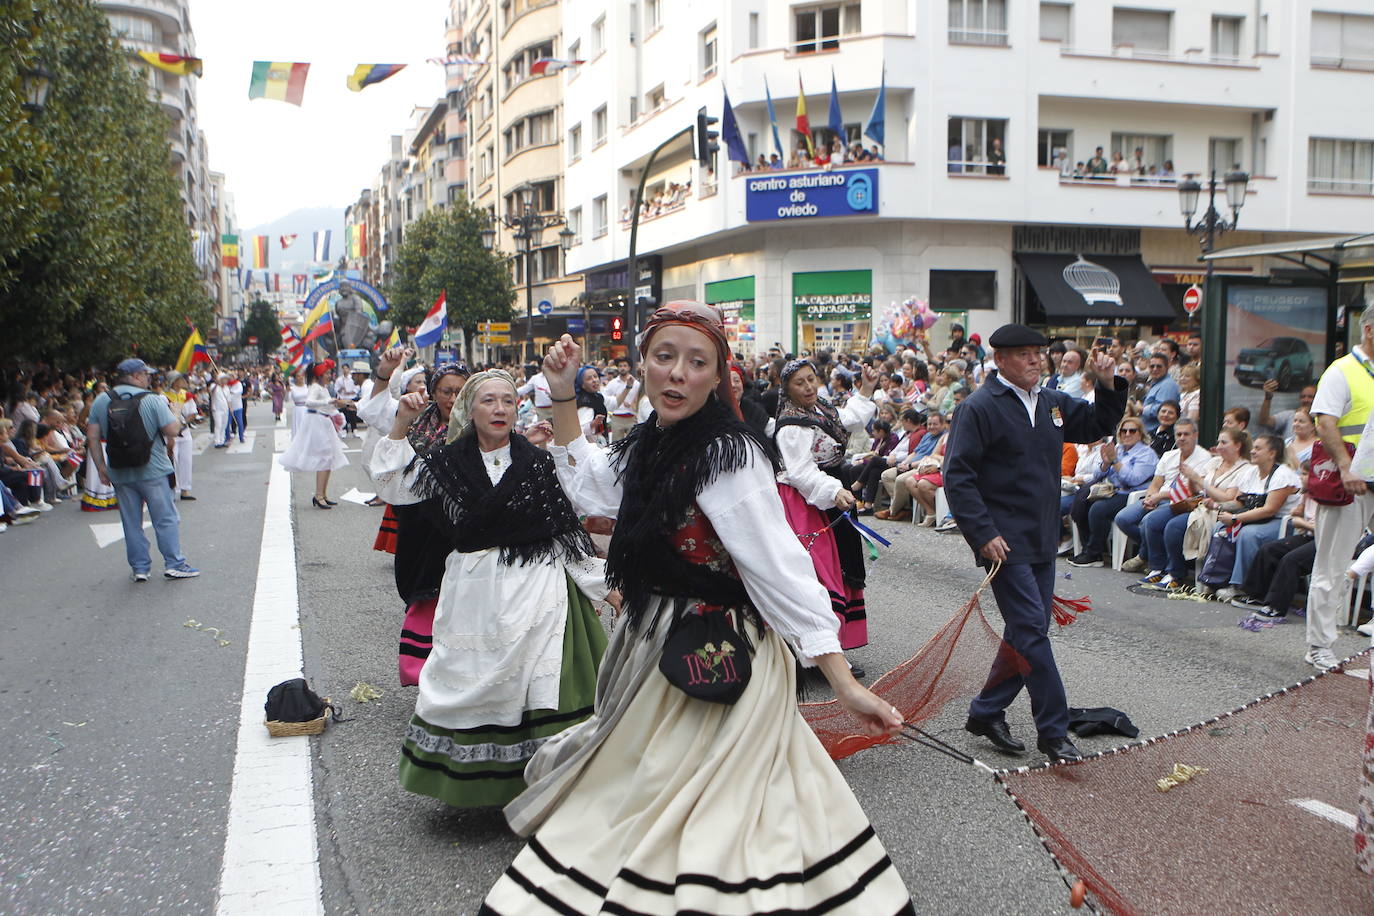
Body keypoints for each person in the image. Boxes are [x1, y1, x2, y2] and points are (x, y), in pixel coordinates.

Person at [481, 305, 910, 914]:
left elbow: (780, 569)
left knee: (709, 801)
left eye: (695, 362)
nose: (677, 374)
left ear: (717, 377)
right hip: (654, 640)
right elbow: (596, 486)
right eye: (664, 357)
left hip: (721, 650)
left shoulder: (727, 455)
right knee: (666, 788)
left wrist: (842, 683)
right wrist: (561, 396)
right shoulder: (654, 439)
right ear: (644, 365)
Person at [370, 368, 611, 807]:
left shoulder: (538, 465)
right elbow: (392, 485)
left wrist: (603, 585)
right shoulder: (444, 465)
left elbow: (562, 533)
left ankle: (547, 781)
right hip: (473, 592)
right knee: (470, 680)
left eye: (507, 401)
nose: (499, 409)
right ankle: (475, 785)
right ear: (469, 409)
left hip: (537, 588)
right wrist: (401, 424)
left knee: (539, 687)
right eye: (488, 400)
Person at [943, 324, 1126, 763]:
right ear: (1000, 359)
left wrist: (1105, 383)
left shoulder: (1052, 402)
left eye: (1038, 353)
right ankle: (1053, 728)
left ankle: (986, 711)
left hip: (1043, 535)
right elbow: (958, 476)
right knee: (1031, 631)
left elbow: (1100, 422)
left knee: (1025, 632)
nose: (1034, 360)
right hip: (1003, 541)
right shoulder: (979, 407)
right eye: (1024, 353)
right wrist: (983, 533)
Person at [773, 358, 879, 667]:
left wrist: (867, 388)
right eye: (799, 383)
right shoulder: (793, 424)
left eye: (811, 379)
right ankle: (816, 654)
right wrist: (833, 491)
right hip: (805, 502)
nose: (808, 387)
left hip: (831, 492)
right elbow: (800, 472)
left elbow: (848, 417)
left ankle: (831, 649)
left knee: (841, 566)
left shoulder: (821, 409)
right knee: (817, 574)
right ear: (787, 389)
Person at [1302, 309, 1374, 671]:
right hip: (1352, 482)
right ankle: (1319, 644)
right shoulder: (1342, 370)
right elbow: (1325, 422)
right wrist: (1346, 468)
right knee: (1332, 564)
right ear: (1370, 330)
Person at [85, 358, 199, 581]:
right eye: (146, 374)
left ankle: (140, 568)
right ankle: (174, 563)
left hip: (120, 470)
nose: (149, 378)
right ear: (136, 376)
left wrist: (101, 467)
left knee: (130, 521)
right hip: (153, 469)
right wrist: (175, 412)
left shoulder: (101, 401)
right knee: (165, 518)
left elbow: (93, 437)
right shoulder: (153, 400)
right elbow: (172, 430)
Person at [1139, 428, 1252, 591]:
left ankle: (1176, 573)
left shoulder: (1245, 469)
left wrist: (1197, 479)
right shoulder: (1215, 462)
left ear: (1237, 446)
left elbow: (1228, 498)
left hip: (1217, 510)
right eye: (1218, 442)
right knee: (1152, 520)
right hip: (1197, 503)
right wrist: (1190, 479)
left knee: (1174, 527)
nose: (1219, 446)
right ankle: (1157, 568)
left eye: (1224, 442)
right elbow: (1197, 488)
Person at [1205, 434, 1301, 602]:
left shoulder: (1283, 475)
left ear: (1271, 453)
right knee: (1220, 529)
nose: (1252, 451)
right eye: (1253, 447)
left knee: (1248, 534)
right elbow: (1239, 502)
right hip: (1258, 517)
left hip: (1284, 522)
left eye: (1258, 448)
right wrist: (1218, 507)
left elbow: (1269, 510)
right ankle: (1216, 579)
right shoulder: (1250, 473)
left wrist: (1235, 519)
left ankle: (1241, 586)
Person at [1116, 418, 1210, 574]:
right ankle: (1150, 551)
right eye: (1178, 434)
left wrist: (1158, 497)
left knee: (1149, 521)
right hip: (1159, 497)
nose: (1181, 438)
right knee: (1123, 518)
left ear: (1195, 435)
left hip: (1182, 501)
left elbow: (1192, 491)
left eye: (1186, 434)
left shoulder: (1204, 457)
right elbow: (1155, 483)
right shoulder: (1169, 455)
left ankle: (1149, 560)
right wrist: (1150, 498)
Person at [1066, 418, 1158, 567]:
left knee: (1098, 509)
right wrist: (1105, 463)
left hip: (1131, 494)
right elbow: (1097, 475)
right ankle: (1088, 549)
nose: (1127, 434)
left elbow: (1134, 479)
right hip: (1112, 490)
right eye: (1124, 430)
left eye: (1132, 430)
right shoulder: (1118, 449)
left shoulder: (1146, 454)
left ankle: (1094, 553)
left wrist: (1115, 462)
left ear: (1140, 434)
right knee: (1081, 503)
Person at [278, 361, 349, 508]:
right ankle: (318, 495)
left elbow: (326, 405)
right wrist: (328, 401)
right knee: (324, 458)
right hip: (317, 423)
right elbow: (309, 402)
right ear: (320, 375)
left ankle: (323, 494)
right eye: (327, 373)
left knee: (328, 458)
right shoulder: (315, 387)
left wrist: (336, 405)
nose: (330, 376)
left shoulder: (322, 387)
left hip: (323, 422)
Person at [164, 371, 197, 501]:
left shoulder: (187, 396)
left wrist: (183, 422)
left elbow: (193, 413)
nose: (183, 381)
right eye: (180, 379)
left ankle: (185, 490)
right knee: (172, 462)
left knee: (186, 461)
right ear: (174, 381)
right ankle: (172, 490)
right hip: (170, 434)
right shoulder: (164, 397)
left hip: (184, 431)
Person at [1140, 354, 1180, 435]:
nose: (1155, 369)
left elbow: (1165, 410)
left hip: (1159, 434)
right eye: (1152, 366)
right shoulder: (1156, 383)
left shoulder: (1168, 385)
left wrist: (1142, 409)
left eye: (1159, 366)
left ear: (1167, 367)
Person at [602, 356, 640, 442]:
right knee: (616, 444)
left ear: (629, 368)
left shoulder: (636, 383)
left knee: (632, 444)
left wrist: (632, 405)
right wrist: (615, 399)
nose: (622, 368)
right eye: (620, 366)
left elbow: (639, 400)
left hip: (632, 417)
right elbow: (605, 396)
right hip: (617, 417)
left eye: (625, 366)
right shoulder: (613, 383)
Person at [288, 368, 309, 433]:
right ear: (295, 378)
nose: (301, 377)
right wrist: (287, 391)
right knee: (298, 429)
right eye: (298, 376)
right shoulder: (293, 388)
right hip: (297, 410)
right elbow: (287, 399)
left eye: (302, 375)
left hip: (307, 409)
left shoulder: (307, 387)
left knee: (307, 429)